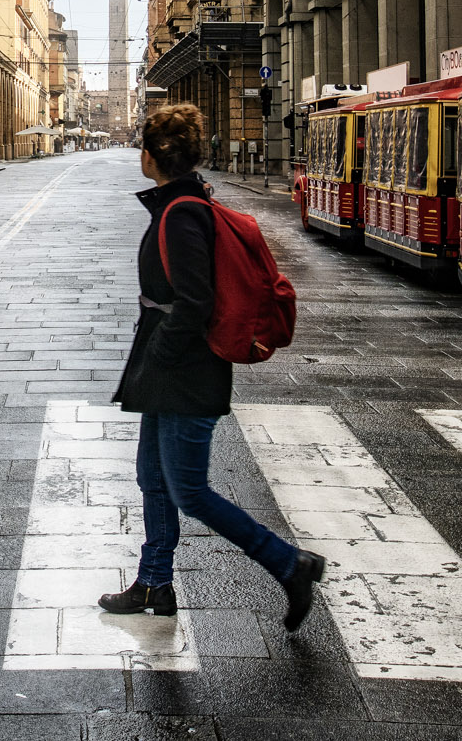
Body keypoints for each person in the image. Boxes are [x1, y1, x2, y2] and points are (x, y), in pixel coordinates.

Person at [102, 101, 326, 629]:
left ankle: (289, 563)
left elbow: (194, 302)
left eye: (142, 146)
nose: (139, 154)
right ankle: (154, 582)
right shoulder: (183, 203)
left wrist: (159, 354)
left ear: (155, 154)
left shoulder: (182, 214)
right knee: (152, 478)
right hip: (170, 369)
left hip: (184, 369)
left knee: (189, 490)